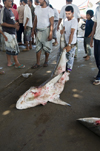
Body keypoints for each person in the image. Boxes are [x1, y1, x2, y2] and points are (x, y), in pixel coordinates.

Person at [1, 0, 25, 68]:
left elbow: (11, 20)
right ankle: (17, 63)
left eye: (11, 1)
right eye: (9, 1)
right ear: (4, 2)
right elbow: (2, 23)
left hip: (12, 32)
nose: (11, 2)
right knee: (14, 48)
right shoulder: (3, 10)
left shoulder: (10, 10)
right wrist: (13, 26)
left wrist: (15, 25)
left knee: (9, 48)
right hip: (7, 32)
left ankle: (9, 62)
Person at [31, 0, 54, 68]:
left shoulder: (49, 10)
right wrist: (33, 30)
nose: (38, 1)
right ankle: (38, 63)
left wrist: (50, 33)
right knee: (38, 47)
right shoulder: (37, 9)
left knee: (47, 47)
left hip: (46, 30)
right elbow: (35, 20)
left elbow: (52, 23)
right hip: (39, 31)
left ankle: (46, 60)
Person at [60, 6, 77, 72]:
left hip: (71, 43)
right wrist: (63, 30)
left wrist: (69, 45)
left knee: (70, 57)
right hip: (66, 41)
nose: (67, 15)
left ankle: (68, 71)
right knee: (65, 56)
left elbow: (72, 33)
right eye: (66, 13)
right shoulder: (65, 20)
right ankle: (64, 69)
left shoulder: (74, 21)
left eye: (69, 14)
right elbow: (64, 27)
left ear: (72, 13)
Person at [90, 0, 100, 85]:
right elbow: (95, 24)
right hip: (97, 37)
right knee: (97, 58)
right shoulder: (98, 8)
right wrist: (92, 38)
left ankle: (99, 76)